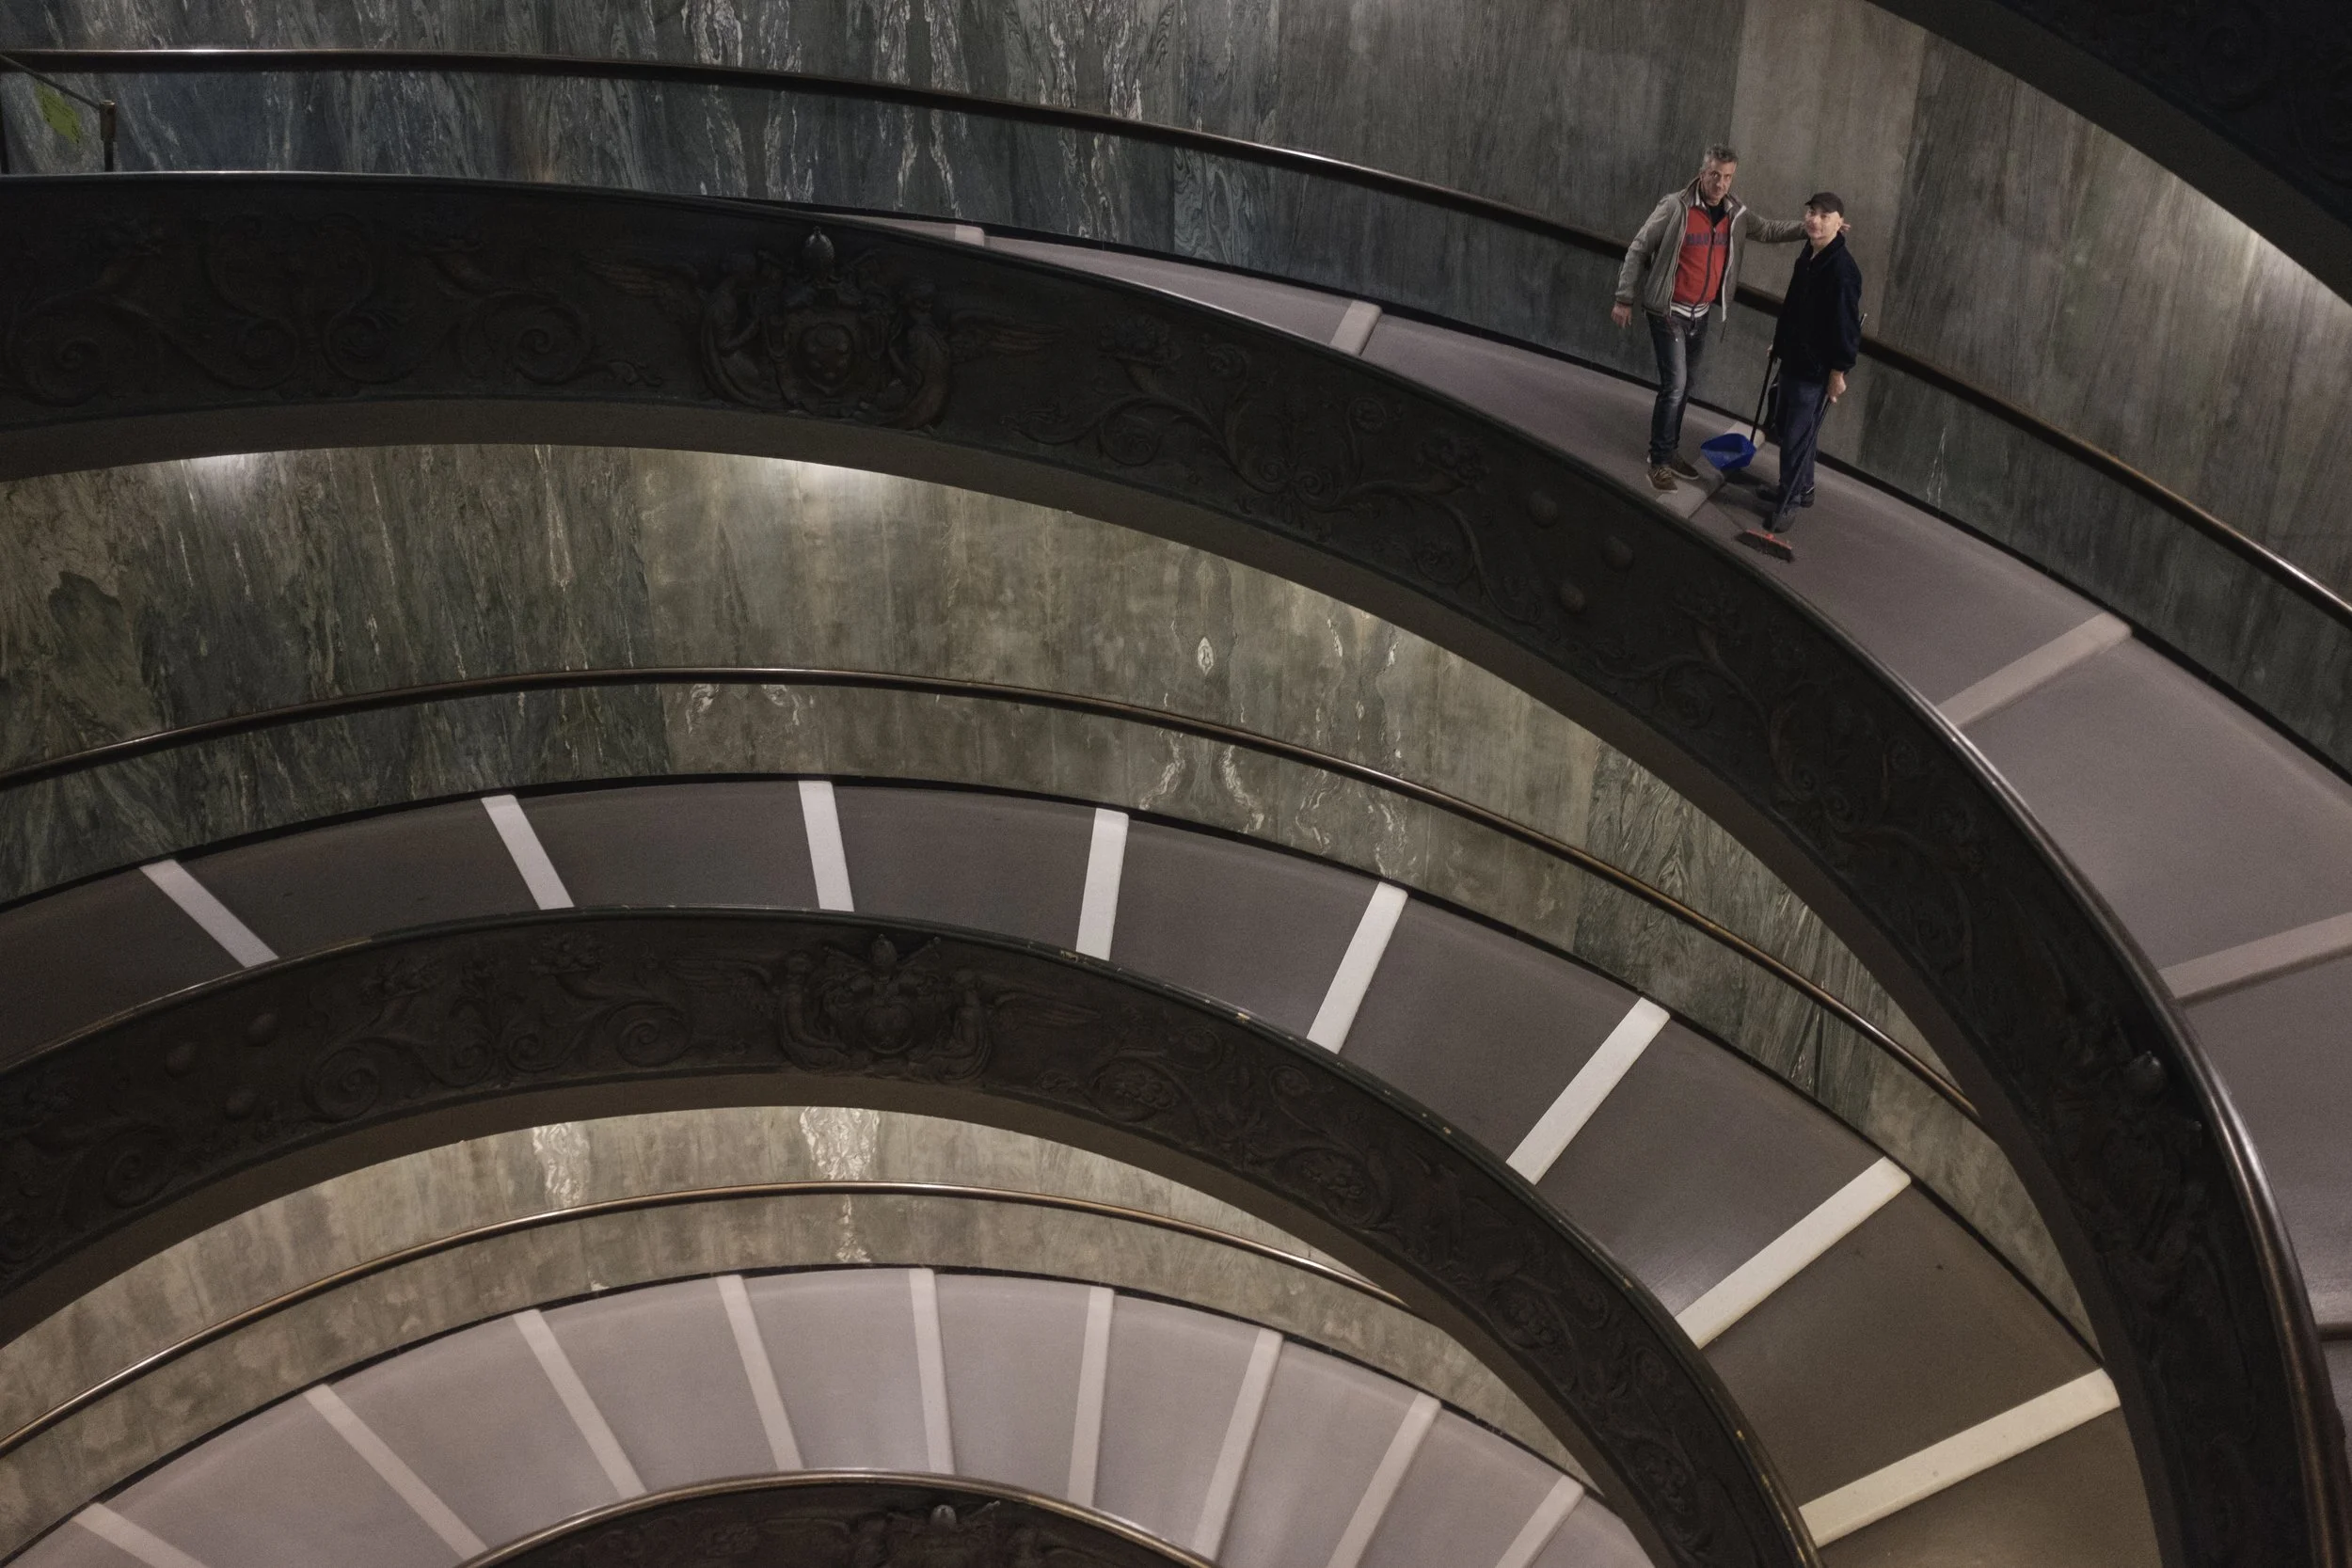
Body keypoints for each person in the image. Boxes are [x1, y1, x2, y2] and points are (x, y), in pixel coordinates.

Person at [1613, 146, 1805, 493]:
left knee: (1685, 386)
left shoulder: (1736, 214)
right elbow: (1639, 248)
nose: (1721, 183)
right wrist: (1624, 298)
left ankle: (1669, 451)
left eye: (1728, 177)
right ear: (1702, 173)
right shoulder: (1676, 207)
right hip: (1668, 311)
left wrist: (1810, 228)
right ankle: (1658, 461)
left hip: (1699, 316)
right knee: (1674, 387)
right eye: (1715, 175)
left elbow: (1769, 230)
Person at [1741, 192, 1862, 554]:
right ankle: (1801, 488)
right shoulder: (1808, 254)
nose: (1815, 219)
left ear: (1840, 223)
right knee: (1792, 426)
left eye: (1825, 215)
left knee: (1796, 435)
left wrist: (1839, 372)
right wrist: (1779, 343)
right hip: (1794, 356)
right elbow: (1793, 306)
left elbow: (1846, 328)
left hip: (1816, 367)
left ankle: (1790, 500)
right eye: (1812, 212)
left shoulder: (1842, 270)